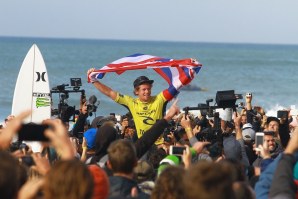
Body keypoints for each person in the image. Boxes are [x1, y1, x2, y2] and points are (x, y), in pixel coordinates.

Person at [88, 68, 190, 144]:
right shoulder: (131, 103)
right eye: (144, 89)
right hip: (143, 144)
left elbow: (175, 86)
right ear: (137, 91)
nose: (147, 92)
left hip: (160, 144)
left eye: (149, 89)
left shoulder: (159, 99)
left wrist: (190, 72)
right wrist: (94, 80)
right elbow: (110, 93)